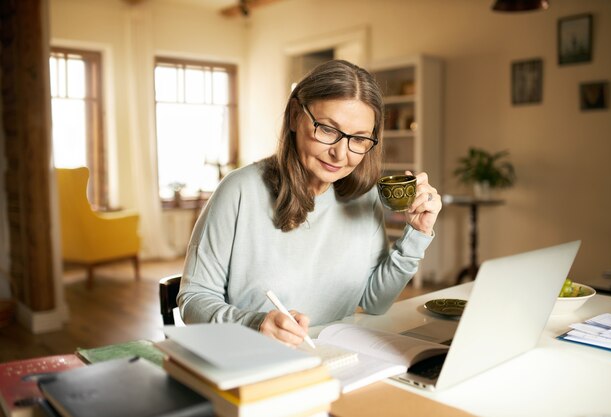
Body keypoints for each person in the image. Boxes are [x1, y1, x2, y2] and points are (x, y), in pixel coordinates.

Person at [177, 59, 442, 347]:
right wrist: (254, 324)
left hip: (335, 356)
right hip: (254, 356)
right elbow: (193, 299)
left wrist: (417, 233)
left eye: (360, 139)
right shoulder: (240, 190)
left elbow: (375, 302)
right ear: (294, 116)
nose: (341, 154)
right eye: (328, 130)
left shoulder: (363, 198)